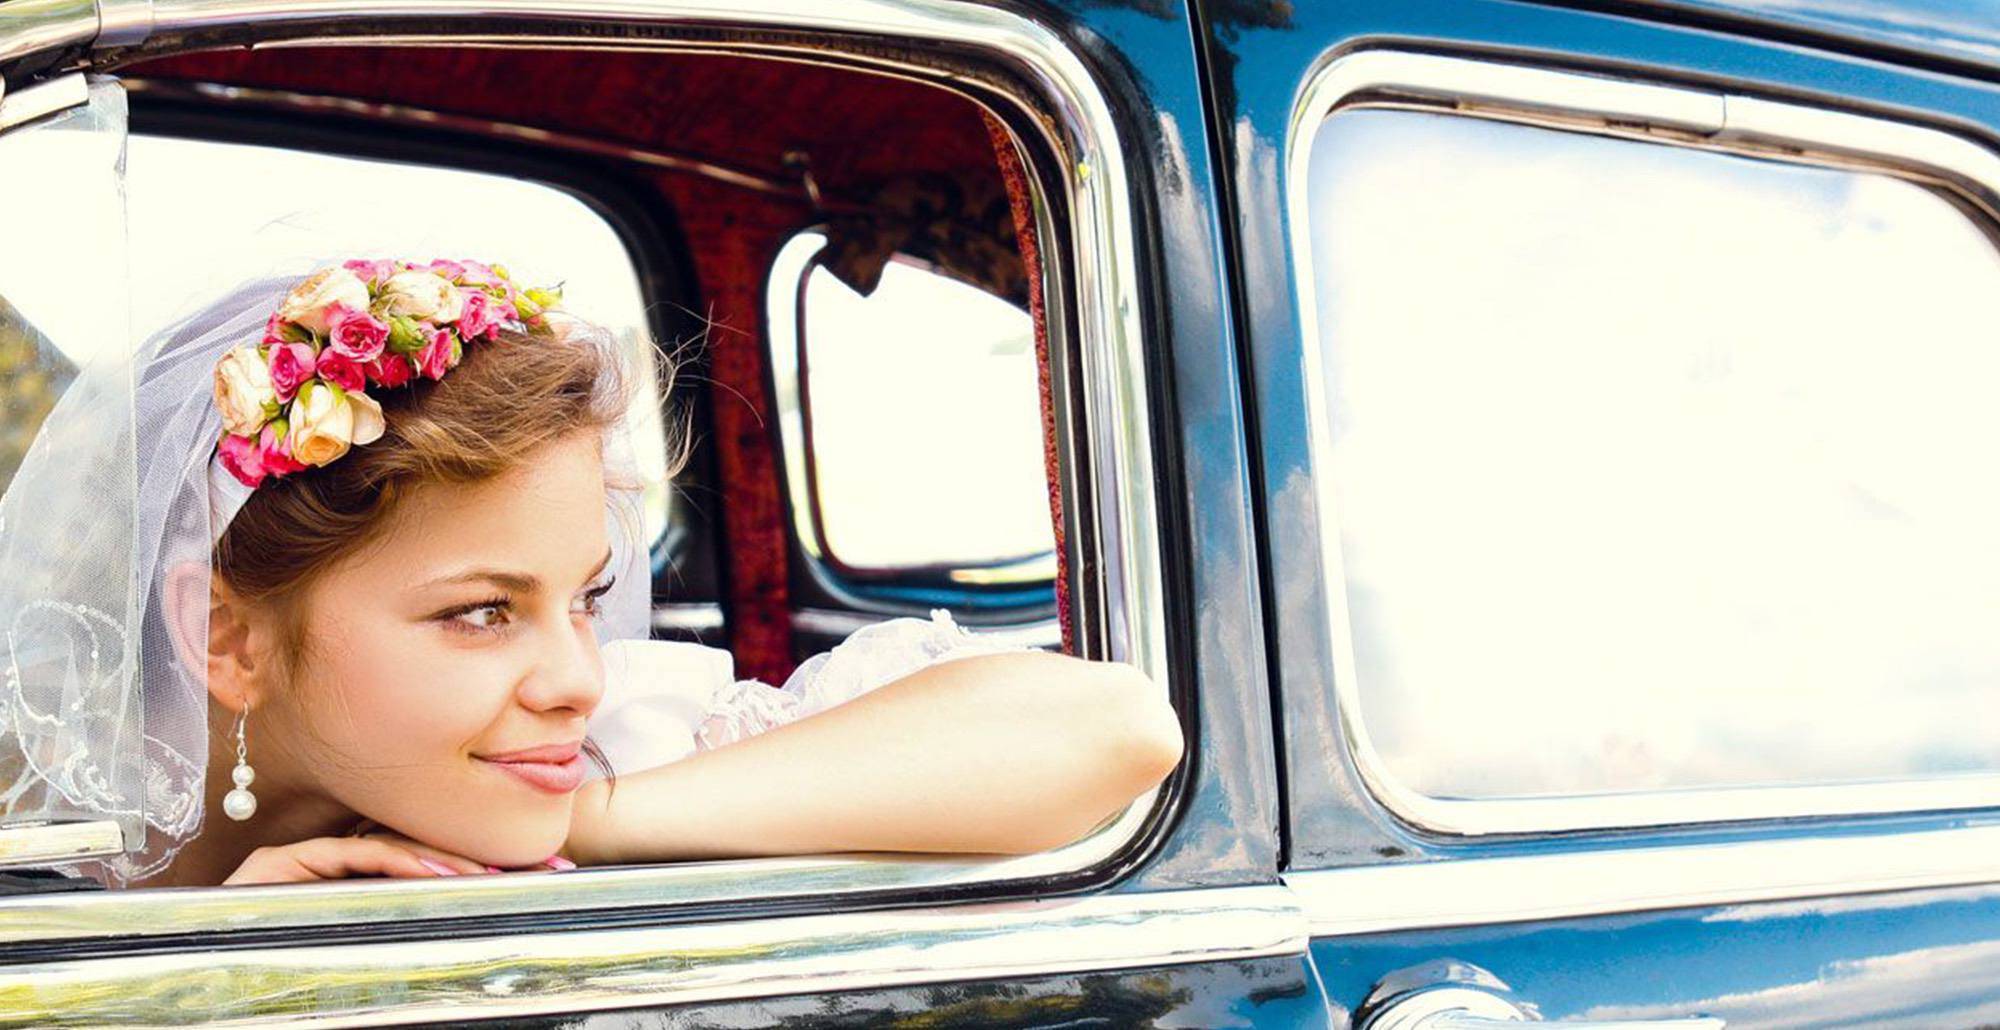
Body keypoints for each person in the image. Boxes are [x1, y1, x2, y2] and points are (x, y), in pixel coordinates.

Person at [0, 259, 1182, 888]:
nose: (577, 676)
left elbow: (1113, 730)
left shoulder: (609, 753)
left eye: (584, 596)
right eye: (481, 612)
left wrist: (591, 819)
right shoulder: (43, 862)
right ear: (228, 638)